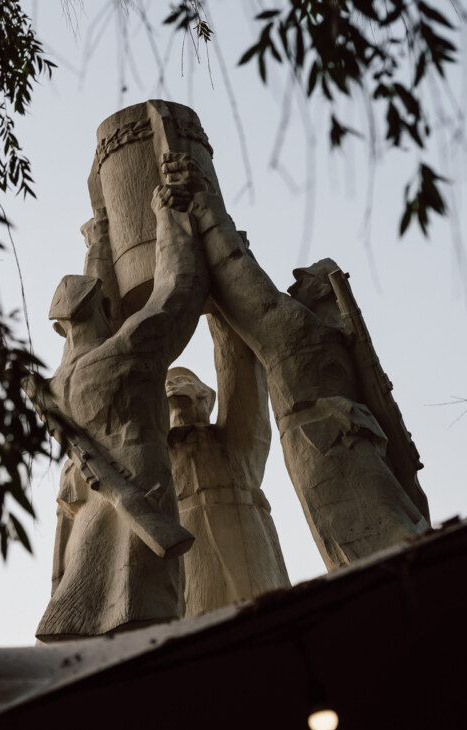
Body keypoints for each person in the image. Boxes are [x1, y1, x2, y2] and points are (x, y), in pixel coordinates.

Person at [189, 189, 429, 568]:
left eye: (301, 282)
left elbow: (244, 282)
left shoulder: (305, 332)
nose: (291, 287)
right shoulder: (338, 342)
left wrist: (206, 209)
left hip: (324, 447)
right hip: (346, 445)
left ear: (321, 289)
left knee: (371, 551)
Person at [32, 155, 210, 642]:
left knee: (82, 615)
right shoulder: (128, 350)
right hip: (138, 485)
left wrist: (98, 243)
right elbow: (178, 291)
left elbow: (92, 312)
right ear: (104, 306)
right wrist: (166, 216)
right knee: (143, 609)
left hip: (83, 505)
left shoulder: (52, 388)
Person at [167, 351, 290, 616]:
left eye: (180, 379)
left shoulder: (232, 439)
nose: (170, 385)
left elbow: (244, 378)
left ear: (205, 394)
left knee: (262, 609)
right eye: (166, 383)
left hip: (243, 529)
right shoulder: (157, 452)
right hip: (184, 540)